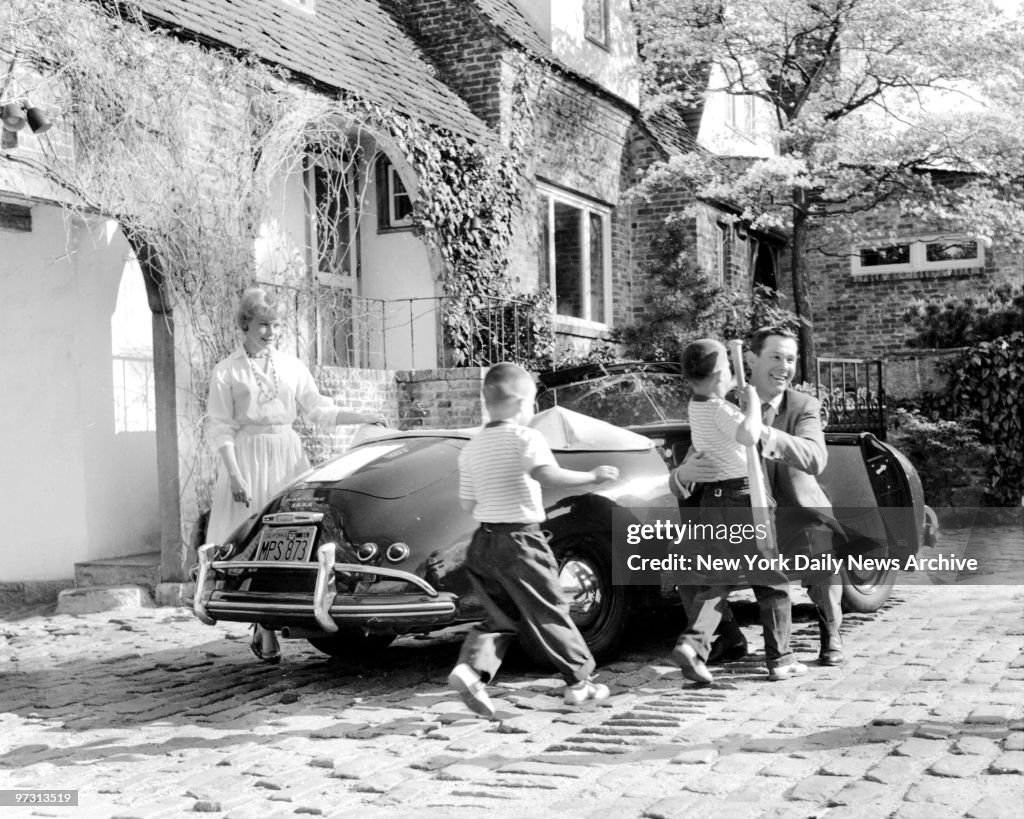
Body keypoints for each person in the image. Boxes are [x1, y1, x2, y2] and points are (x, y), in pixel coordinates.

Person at [206, 287, 388, 664]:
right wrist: (235, 475)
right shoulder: (227, 372)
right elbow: (220, 427)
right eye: (262, 324)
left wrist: (361, 417)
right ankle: (264, 625)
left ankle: (286, 613)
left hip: (287, 454)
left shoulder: (291, 366)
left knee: (291, 536)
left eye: (275, 325)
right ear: (245, 325)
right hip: (248, 457)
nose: (269, 332)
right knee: (252, 540)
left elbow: (317, 409)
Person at [447, 362, 620, 718]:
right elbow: (546, 473)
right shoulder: (526, 438)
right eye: (531, 405)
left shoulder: (471, 449)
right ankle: (579, 682)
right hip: (521, 541)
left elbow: (468, 503)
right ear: (518, 402)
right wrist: (592, 476)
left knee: (500, 617)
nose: (533, 412)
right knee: (550, 611)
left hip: (483, 543)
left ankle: (472, 669)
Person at [674, 326, 846, 668]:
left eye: (791, 358)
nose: (785, 366)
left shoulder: (803, 406)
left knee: (821, 541)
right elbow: (700, 454)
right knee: (683, 554)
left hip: (794, 518)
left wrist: (759, 430)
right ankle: (728, 637)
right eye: (776, 357)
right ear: (750, 359)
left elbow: (815, 457)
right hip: (741, 513)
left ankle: (831, 631)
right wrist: (682, 475)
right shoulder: (719, 404)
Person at [670, 339, 807, 685]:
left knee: (719, 579)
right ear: (720, 376)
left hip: (714, 503)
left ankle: (694, 643)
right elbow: (748, 436)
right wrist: (752, 408)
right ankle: (781, 658)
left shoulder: (696, 406)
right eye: (730, 369)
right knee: (772, 582)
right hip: (744, 501)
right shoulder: (721, 410)